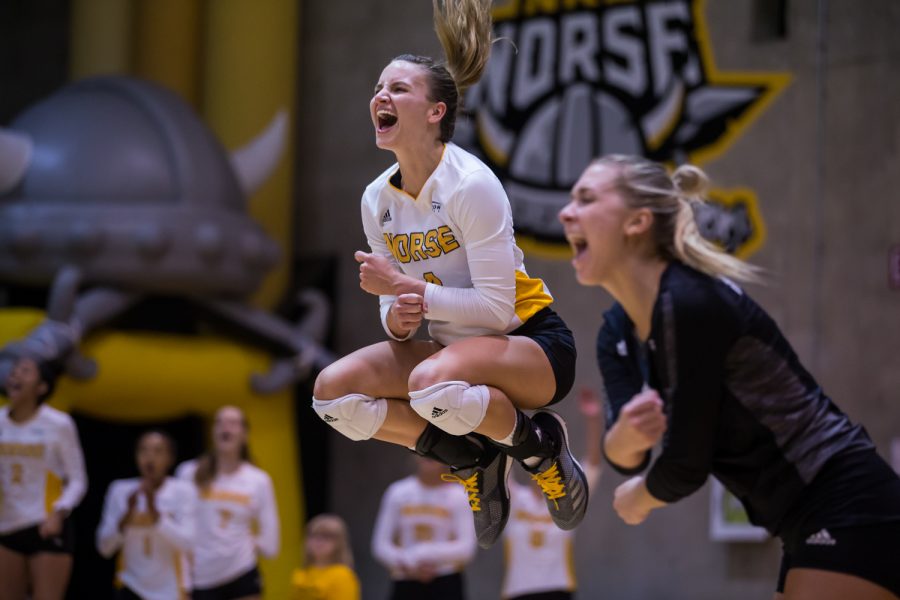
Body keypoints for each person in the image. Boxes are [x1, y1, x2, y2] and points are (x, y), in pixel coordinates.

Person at [558, 154, 900, 600]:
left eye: (585, 199)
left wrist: (639, 498)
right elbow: (626, 456)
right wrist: (625, 435)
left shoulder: (689, 301)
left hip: (846, 504)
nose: (566, 212)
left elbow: (685, 465)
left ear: (637, 222)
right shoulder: (616, 333)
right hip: (803, 520)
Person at [311, 0, 586, 549]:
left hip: (526, 342)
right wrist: (399, 315)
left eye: (398, 89)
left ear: (435, 112)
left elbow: (494, 309)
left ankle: (538, 445)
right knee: (331, 396)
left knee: (428, 384)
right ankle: (471, 458)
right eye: (378, 88)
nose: (380, 96)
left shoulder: (469, 185)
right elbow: (397, 320)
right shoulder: (376, 200)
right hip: (446, 356)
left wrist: (411, 293)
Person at [501, 389, 603, 600]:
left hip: (558, 588)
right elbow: (499, 458)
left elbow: (592, 464)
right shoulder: (516, 499)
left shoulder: (569, 497)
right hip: (518, 591)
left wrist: (593, 420)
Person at [0, 356, 87, 600]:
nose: (15, 375)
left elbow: (78, 479)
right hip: (6, 525)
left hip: (46, 525)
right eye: (14, 371)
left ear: (41, 387)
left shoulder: (58, 424)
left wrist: (59, 512)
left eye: (25, 371)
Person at [176, 405, 280, 600]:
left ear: (244, 434)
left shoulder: (258, 480)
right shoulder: (188, 472)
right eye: (219, 422)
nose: (225, 428)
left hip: (242, 572)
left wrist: (244, 543)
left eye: (233, 423)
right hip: (200, 577)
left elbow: (271, 544)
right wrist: (183, 582)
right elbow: (180, 529)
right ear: (212, 431)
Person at [96, 430, 197, 600]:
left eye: (158, 451)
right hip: (129, 586)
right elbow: (104, 548)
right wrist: (126, 518)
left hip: (171, 590)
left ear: (170, 458)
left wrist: (156, 516)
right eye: (143, 450)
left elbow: (188, 543)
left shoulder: (183, 491)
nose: (150, 457)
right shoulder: (120, 490)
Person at [372, 455, 476, 600]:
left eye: (435, 450)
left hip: (446, 581)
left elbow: (467, 547)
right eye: (423, 448)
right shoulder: (397, 492)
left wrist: (424, 553)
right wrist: (407, 562)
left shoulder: (459, 496)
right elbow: (380, 545)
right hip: (406, 579)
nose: (429, 455)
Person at [291, 514, 360, 600]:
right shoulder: (303, 573)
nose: (319, 541)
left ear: (340, 542)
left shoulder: (342, 576)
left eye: (327, 536)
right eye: (314, 535)